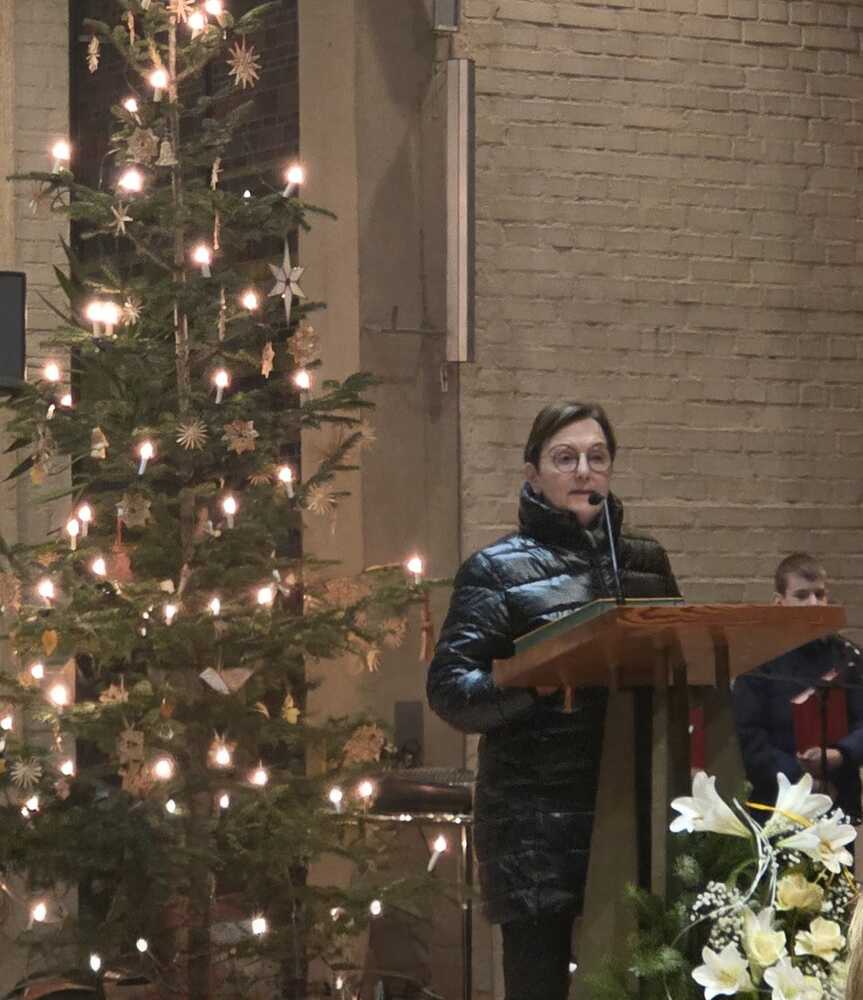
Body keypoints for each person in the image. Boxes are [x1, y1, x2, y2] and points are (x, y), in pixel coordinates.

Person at [426, 402, 680, 1000]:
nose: (584, 471)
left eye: (597, 457)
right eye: (565, 458)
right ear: (533, 474)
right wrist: (529, 683)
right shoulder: (496, 570)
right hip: (535, 821)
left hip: (629, 805)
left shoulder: (644, 561)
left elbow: (677, 656)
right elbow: (450, 689)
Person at [732, 552, 863, 821]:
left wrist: (841, 754)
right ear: (779, 603)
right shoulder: (758, 662)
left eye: (820, 594)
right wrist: (802, 780)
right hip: (777, 803)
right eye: (802, 596)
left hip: (837, 798)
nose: (814, 604)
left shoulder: (847, 657)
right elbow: (748, 738)